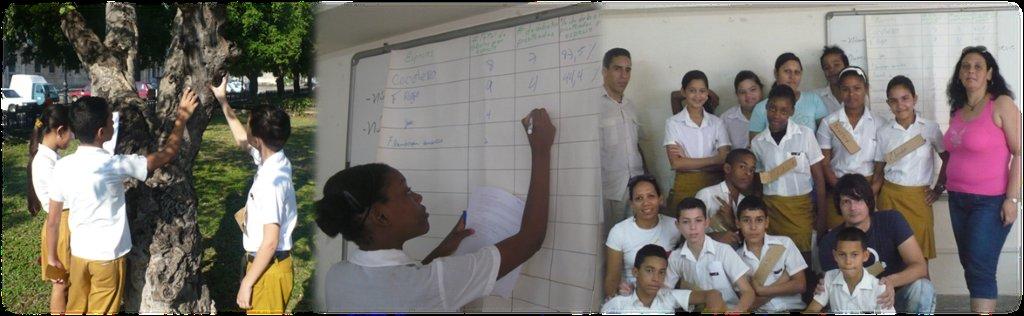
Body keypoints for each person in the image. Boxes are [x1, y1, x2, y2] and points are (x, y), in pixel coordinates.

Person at [317, 109, 555, 312]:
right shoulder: (433, 284)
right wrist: (541, 150)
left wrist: (443, 248)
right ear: (381, 216)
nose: (417, 197)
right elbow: (530, 239)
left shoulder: (337, 277)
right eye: (407, 192)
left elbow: (407, 287)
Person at [44, 91, 198, 314]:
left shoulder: (62, 166)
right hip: (108, 257)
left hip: (78, 255)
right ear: (101, 132)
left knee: (75, 309)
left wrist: (51, 256)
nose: (113, 123)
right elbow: (167, 153)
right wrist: (182, 116)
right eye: (110, 120)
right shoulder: (113, 165)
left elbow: (52, 221)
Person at [942, 45, 1022, 313]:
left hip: (989, 202)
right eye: (965, 66)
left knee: (980, 268)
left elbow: (1020, 152)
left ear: (989, 74)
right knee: (972, 265)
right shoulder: (958, 110)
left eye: (977, 66)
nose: (970, 71)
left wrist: (1012, 199)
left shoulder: (1001, 104)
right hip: (957, 199)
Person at [213, 80, 298, 314]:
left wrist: (247, 283)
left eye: (249, 125)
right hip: (266, 266)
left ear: (258, 139)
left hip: (268, 269)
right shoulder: (274, 158)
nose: (247, 129)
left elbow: (270, 241)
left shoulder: (272, 182)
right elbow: (243, 141)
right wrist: (223, 101)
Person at [817, 174, 931, 313]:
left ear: (869, 202)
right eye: (846, 202)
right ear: (838, 206)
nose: (853, 207)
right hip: (856, 305)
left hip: (896, 298)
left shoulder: (892, 220)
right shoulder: (830, 241)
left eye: (858, 200)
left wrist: (890, 282)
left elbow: (920, 267)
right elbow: (834, 288)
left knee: (923, 288)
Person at [872, 75, 948, 261]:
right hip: (890, 198)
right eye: (894, 101)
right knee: (890, 258)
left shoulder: (929, 128)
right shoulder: (884, 132)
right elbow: (878, 173)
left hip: (918, 200)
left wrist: (939, 188)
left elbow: (948, 159)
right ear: (888, 103)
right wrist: (871, 202)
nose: (900, 105)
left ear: (915, 98)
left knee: (920, 258)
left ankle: (922, 290)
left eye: (905, 98)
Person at [749, 84, 828, 255]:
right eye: (772, 108)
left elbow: (819, 180)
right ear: (766, 107)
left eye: (784, 111)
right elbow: (758, 184)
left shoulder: (805, 135)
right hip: (772, 212)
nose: (776, 115)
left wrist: (822, 218)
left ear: (792, 112)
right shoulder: (758, 143)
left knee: (804, 259)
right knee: (776, 262)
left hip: (801, 211)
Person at [665, 198, 755, 312]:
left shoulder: (723, 251)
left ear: (706, 222)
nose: (693, 227)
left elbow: (748, 292)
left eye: (698, 220)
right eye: (686, 222)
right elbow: (665, 291)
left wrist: (736, 311)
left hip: (728, 310)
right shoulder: (675, 257)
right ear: (677, 225)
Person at [816, 66, 879, 229]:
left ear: (866, 89)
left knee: (867, 239)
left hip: (869, 189)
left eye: (857, 88)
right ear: (839, 91)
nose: (851, 95)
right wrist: (840, 190)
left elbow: (881, 166)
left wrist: (868, 192)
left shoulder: (879, 123)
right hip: (838, 187)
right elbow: (824, 162)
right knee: (839, 240)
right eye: (846, 89)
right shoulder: (829, 122)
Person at [27, 104, 74, 313]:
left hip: (62, 223)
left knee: (66, 282)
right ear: (60, 130)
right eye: (70, 132)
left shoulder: (50, 157)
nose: (72, 137)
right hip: (60, 225)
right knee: (60, 284)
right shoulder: (45, 161)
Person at [604, 175, 680, 300]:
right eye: (639, 198)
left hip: (664, 298)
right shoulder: (619, 231)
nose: (646, 203)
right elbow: (612, 279)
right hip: (629, 297)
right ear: (632, 204)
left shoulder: (674, 226)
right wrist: (614, 303)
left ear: (660, 199)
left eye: (651, 196)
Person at [664, 70, 731, 211]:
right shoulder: (673, 123)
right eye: (692, 91)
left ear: (707, 93)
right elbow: (676, 163)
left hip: (714, 183)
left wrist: (688, 161)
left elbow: (724, 160)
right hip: (685, 184)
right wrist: (714, 159)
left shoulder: (717, 123)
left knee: (714, 229)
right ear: (683, 92)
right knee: (686, 228)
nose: (698, 96)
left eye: (702, 91)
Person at [600, 48, 648, 235]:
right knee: (611, 243)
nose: (623, 76)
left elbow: (636, 146)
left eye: (628, 70)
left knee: (636, 240)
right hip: (610, 189)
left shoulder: (631, 106)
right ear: (605, 71)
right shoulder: (592, 106)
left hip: (636, 186)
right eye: (617, 69)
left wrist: (648, 178)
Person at [602, 244, 726, 313]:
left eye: (661, 272)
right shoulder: (616, 306)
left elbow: (713, 295)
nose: (656, 278)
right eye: (649, 270)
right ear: (635, 272)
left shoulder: (668, 297)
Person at [734, 196, 808, 312]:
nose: (753, 227)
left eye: (759, 220)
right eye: (746, 220)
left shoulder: (784, 243)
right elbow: (750, 305)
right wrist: (783, 280)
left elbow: (800, 285)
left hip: (794, 309)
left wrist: (761, 291)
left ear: (767, 222)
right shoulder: (735, 258)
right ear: (738, 223)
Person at [804, 226, 896, 314]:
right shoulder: (830, 277)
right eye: (842, 255)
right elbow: (812, 309)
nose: (848, 261)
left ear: (865, 256)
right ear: (835, 256)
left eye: (854, 255)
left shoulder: (879, 289)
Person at [747, 52, 830, 141]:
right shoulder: (761, 108)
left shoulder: (813, 100)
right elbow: (755, 145)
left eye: (796, 72)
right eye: (787, 71)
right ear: (776, 73)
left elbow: (826, 136)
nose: (792, 76)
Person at [694, 148, 756, 247]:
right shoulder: (707, 194)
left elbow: (749, 238)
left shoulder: (745, 201)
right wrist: (715, 237)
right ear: (727, 168)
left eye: (752, 170)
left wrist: (732, 221)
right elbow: (689, 234)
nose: (748, 173)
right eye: (742, 167)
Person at [722, 70, 764, 149]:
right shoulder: (726, 119)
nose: (748, 96)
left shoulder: (773, 115)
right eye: (742, 92)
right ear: (737, 95)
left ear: (761, 90)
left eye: (753, 90)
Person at [810, 46, 850, 114]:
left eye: (836, 65)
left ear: (846, 67)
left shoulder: (857, 95)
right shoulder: (815, 97)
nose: (831, 70)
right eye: (826, 67)